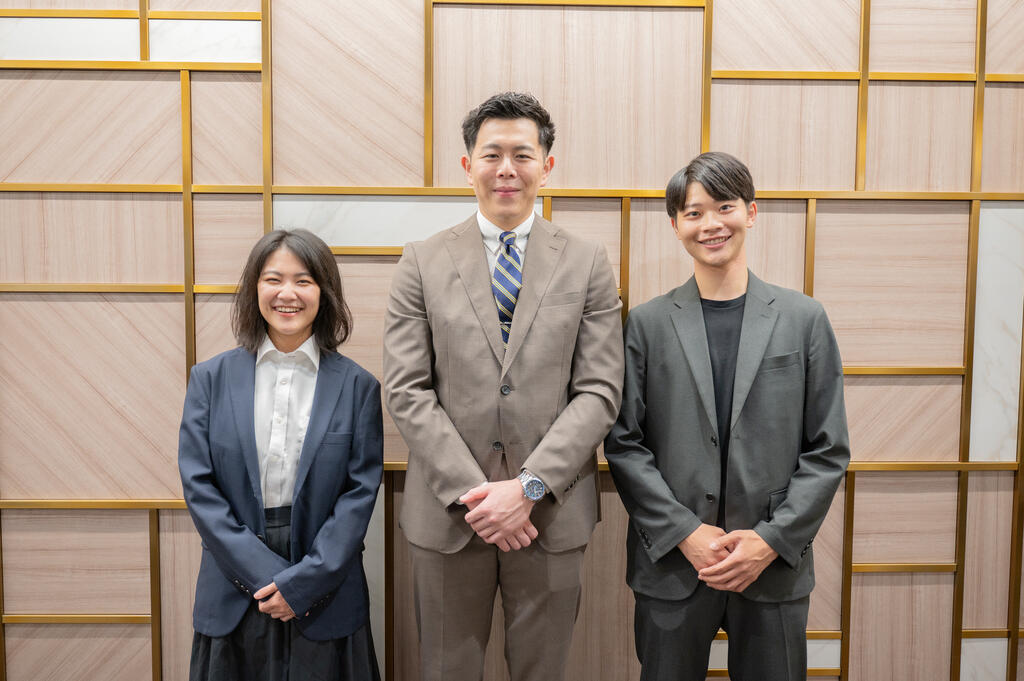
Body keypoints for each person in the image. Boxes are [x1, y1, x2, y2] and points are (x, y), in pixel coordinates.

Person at [382, 91, 624, 681]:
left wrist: (529, 488)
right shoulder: (421, 261)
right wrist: (479, 494)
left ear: (547, 165)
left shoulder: (588, 262)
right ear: (468, 165)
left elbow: (599, 391)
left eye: (523, 153)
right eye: (492, 154)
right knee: (446, 671)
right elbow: (407, 390)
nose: (507, 169)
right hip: (449, 517)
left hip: (550, 516)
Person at [604, 152, 850, 681]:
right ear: (675, 225)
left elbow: (829, 450)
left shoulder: (804, 319)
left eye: (724, 207)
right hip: (672, 563)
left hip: (773, 564)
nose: (710, 224)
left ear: (752, 212)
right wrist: (685, 532)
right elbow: (624, 444)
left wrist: (770, 539)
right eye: (693, 213)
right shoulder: (646, 325)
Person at [179, 229, 383, 681]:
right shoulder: (210, 379)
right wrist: (267, 576)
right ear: (255, 289)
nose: (287, 293)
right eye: (273, 279)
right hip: (234, 581)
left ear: (324, 294)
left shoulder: (357, 386)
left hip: (326, 585)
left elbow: (359, 494)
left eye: (304, 280)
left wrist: (304, 583)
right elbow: (198, 484)